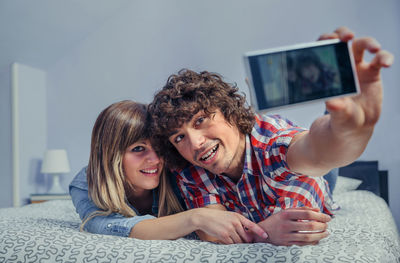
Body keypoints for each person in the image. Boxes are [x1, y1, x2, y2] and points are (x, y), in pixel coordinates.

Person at [148, 27, 393, 246]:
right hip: (283, 173)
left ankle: (333, 118)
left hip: (315, 164)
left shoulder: (273, 143)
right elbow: (211, 231)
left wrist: (348, 131)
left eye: (200, 120)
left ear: (229, 113)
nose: (195, 143)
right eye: (179, 137)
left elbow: (316, 153)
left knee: (325, 160)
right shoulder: (190, 168)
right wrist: (264, 231)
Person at [69, 100, 268, 244]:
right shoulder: (85, 184)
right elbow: (104, 225)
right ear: (111, 155)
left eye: (158, 148)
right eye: (138, 149)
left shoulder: (179, 169)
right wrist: (195, 218)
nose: (155, 160)